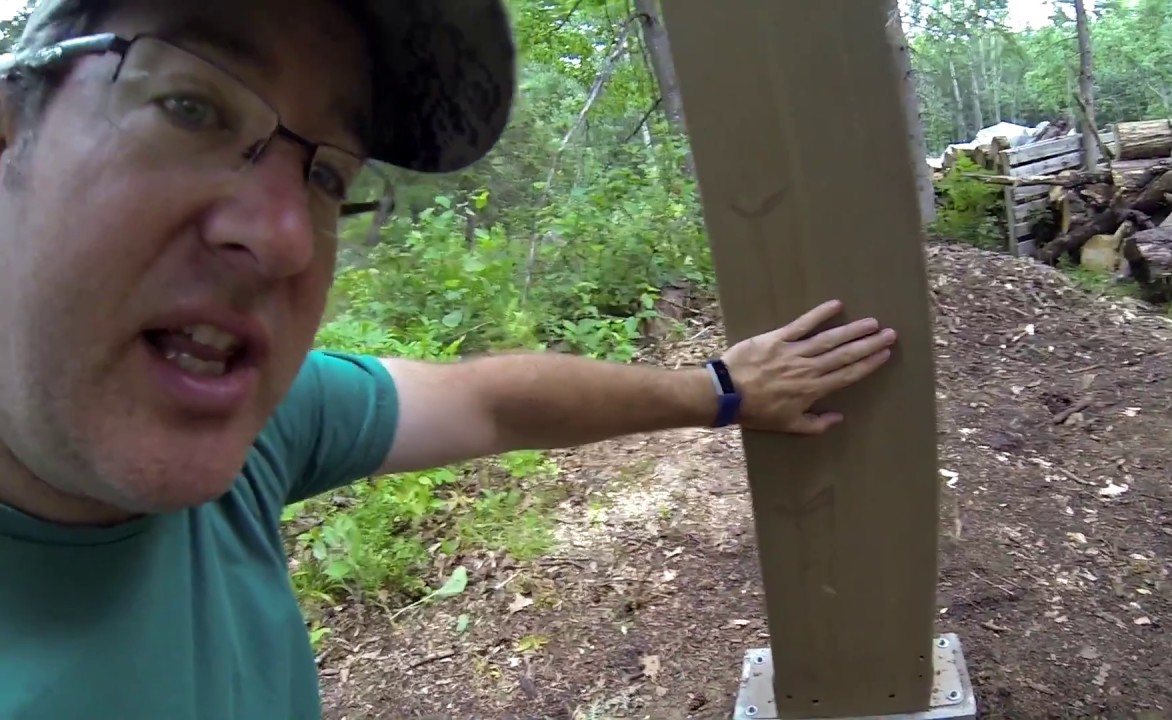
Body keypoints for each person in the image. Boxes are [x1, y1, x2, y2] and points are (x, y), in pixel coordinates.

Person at [0, 0, 899, 717]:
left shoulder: (254, 430)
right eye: (189, 107)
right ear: (11, 129)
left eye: (327, 176)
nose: (286, 236)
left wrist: (724, 390)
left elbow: (490, 402)